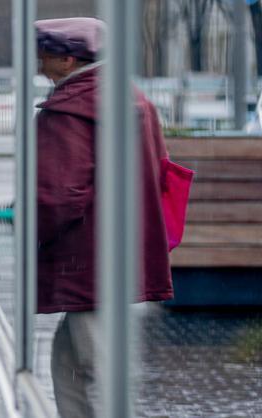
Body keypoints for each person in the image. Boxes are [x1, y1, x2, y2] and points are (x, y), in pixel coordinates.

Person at [35, 17, 174, 417]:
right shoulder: (131, 98)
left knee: (97, 369)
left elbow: (58, 197)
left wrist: (28, 231)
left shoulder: (72, 109)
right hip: (118, 253)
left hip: (87, 261)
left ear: (68, 59)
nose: (40, 62)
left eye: (45, 53)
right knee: (69, 361)